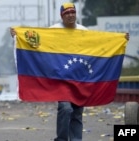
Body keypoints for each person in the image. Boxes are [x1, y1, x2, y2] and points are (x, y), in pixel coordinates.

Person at [10, 2, 129, 141]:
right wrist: (18, 35)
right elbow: (37, 42)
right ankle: (61, 139)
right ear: (62, 16)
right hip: (62, 80)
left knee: (77, 114)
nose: (70, 15)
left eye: (73, 12)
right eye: (67, 13)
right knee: (66, 109)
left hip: (80, 79)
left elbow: (99, 46)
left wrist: (121, 39)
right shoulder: (53, 31)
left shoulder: (84, 31)